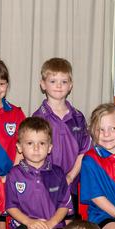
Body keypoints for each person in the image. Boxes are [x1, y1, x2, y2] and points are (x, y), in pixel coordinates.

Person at [31, 58, 91, 215]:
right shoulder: (37, 118)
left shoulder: (78, 117)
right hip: (45, 184)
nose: (58, 86)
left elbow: (84, 151)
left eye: (64, 81)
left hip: (73, 184)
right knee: (49, 228)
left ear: (70, 85)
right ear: (43, 84)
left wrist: (71, 176)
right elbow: (33, 153)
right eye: (53, 81)